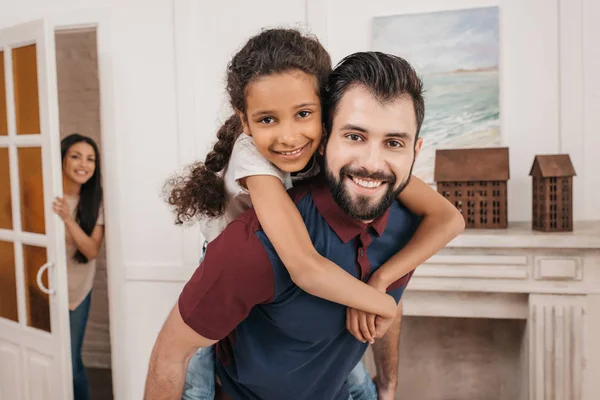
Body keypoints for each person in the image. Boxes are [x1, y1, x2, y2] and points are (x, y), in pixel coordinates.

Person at [162, 28, 464, 400]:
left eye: (303, 113)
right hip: (230, 258)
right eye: (267, 120)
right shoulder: (253, 160)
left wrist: (382, 279)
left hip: (302, 269)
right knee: (201, 369)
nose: (289, 137)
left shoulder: (351, 157)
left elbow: (450, 218)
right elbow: (304, 265)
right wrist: (382, 303)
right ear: (244, 120)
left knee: (343, 354)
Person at [53, 133, 105, 400]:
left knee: (71, 365)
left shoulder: (95, 201)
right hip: (44, 287)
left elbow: (91, 250)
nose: (83, 164)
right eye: (75, 156)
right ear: (62, 159)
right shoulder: (47, 196)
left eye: (90, 159)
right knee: (47, 359)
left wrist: (66, 218)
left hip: (77, 291)